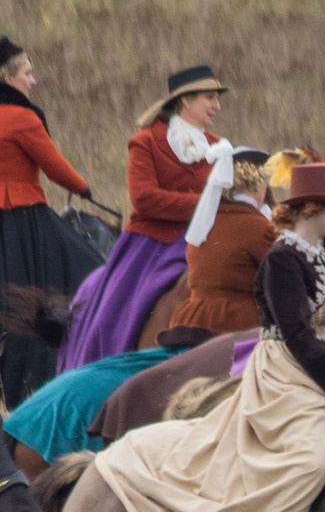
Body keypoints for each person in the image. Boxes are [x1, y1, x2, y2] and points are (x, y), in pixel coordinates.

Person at [90, 161, 325, 512]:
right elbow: (298, 338)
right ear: (312, 207)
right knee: (308, 460)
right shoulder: (281, 261)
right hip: (291, 376)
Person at [60, 65, 229, 372]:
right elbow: (144, 198)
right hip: (153, 243)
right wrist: (205, 203)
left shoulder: (219, 146)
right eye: (209, 98)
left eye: (217, 98)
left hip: (206, 237)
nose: (217, 105)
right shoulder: (146, 142)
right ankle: (104, 371)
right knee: (116, 313)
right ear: (184, 101)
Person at [0, 37, 104, 403]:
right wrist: (84, 187)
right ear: (6, 76)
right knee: (90, 273)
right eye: (27, 73)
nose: (33, 80)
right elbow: (56, 168)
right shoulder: (22, 118)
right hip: (24, 221)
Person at [166, 146, 274, 338]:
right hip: (238, 323)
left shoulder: (204, 222)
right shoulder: (259, 227)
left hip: (190, 319)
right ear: (258, 185)